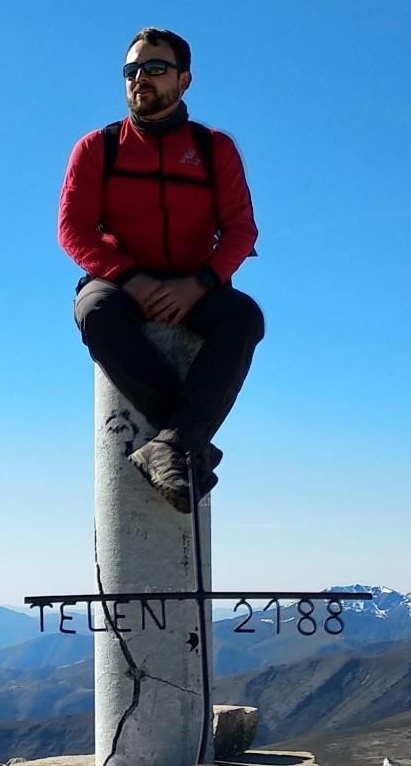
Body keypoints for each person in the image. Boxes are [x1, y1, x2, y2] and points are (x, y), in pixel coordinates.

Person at [57, 27, 263, 513]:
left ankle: (170, 445)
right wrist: (131, 278)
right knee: (95, 313)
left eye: (154, 68)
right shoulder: (98, 147)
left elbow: (241, 230)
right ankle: (184, 442)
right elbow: (73, 229)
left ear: (184, 80)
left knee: (244, 317)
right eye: (131, 70)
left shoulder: (213, 148)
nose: (140, 79)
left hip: (196, 282)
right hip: (120, 282)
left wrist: (201, 283)